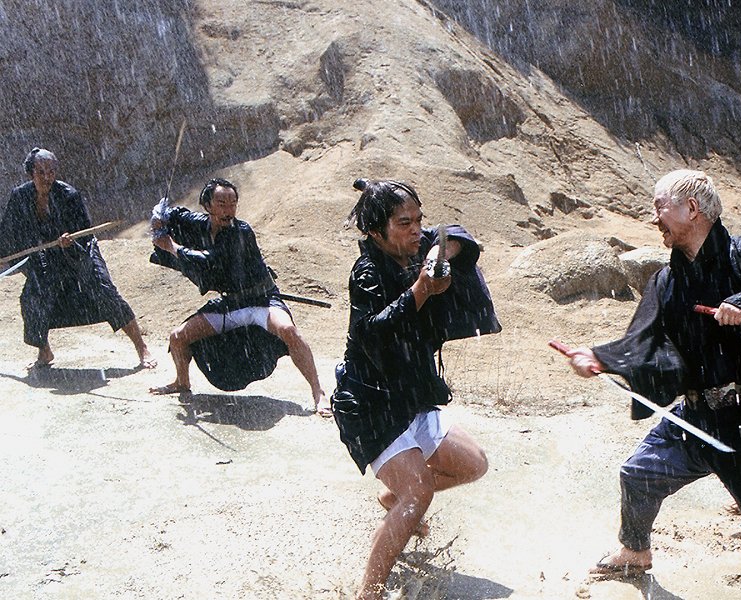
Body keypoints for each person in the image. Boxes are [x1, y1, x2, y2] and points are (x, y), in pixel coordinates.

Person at [561, 170, 741, 599]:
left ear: (692, 209)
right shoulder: (667, 281)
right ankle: (635, 550)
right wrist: (599, 357)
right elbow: (643, 341)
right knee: (639, 473)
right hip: (696, 418)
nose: (654, 218)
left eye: (660, 207)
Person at [331, 178, 500, 600]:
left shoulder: (417, 249)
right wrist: (421, 288)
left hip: (412, 398)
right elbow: (373, 335)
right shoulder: (366, 273)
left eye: (418, 220)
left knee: (473, 464)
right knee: (419, 491)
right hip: (369, 404)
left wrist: (441, 253)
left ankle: (395, 500)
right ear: (376, 231)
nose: (415, 231)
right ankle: (369, 593)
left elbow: (458, 237)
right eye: (404, 223)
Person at [147, 178, 327, 413]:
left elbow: (208, 263)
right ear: (207, 206)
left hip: (262, 299)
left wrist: (170, 246)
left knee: (288, 331)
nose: (228, 210)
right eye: (221, 204)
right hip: (231, 302)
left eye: (233, 204)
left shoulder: (241, 231)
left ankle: (318, 392)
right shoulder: (199, 223)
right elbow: (175, 215)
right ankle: (182, 382)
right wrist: (160, 216)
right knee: (178, 337)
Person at [0, 148, 155, 370]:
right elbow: (7, 231)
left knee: (104, 290)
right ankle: (44, 351)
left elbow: (84, 232)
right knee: (32, 296)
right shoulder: (20, 196)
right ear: (31, 173)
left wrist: (70, 239)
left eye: (51, 172)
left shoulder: (68, 195)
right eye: (41, 172)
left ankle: (142, 347)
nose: (47, 178)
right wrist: (2, 256)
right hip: (48, 255)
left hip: (80, 251)